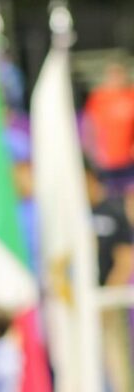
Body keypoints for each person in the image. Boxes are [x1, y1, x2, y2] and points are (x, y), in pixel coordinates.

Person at [86, 162, 134, 392]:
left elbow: (125, 258)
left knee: (115, 362)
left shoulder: (113, 210)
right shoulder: (75, 212)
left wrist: (107, 295)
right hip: (80, 302)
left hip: (107, 301)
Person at [83, 61, 134, 194]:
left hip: (129, 159)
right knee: (109, 194)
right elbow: (91, 125)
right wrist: (93, 151)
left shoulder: (130, 95)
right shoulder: (99, 97)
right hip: (107, 160)